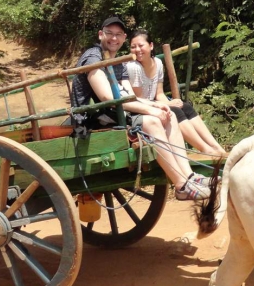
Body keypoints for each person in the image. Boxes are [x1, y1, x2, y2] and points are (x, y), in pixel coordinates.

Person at [71, 16, 212, 201]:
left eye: (118, 34)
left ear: (123, 38)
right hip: (90, 119)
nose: (114, 38)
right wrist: (150, 111)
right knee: (153, 121)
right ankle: (180, 185)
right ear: (100, 35)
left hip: (114, 111)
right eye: (109, 33)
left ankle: (189, 176)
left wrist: (156, 104)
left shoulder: (117, 60)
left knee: (169, 115)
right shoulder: (93, 58)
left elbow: (129, 95)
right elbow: (108, 98)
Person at [125, 29, 226, 155]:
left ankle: (217, 147)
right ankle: (205, 150)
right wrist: (166, 105)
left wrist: (170, 102)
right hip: (141, 108)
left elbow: (159, 94)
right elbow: (140, 99)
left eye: (141, 45)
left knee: (186, 106)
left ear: (151, 46)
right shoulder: (133, 67)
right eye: (133, 47)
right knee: (175, 111)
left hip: (154, 103)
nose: (137, 50)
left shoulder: (157, 63)